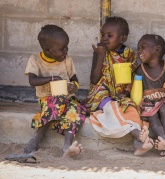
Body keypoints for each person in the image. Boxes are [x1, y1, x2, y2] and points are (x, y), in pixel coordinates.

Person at [86, 16, 153, 156]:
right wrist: (100, 55)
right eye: (102, 35)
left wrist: (133, 71)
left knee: (132, 108)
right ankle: (137, 133)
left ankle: (138, 145)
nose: (104, 38)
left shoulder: (129, 53)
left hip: (121, 94)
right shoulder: (99, 52)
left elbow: (132, 79)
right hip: (101, 95)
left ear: (122, 39)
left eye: (110, 36)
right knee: (113, 108)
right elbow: (94, 79)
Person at [24, 24, 86, 158]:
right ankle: (38, 136)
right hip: (48, 99)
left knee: (76, 110)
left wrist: (73, 86)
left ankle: (67, 146)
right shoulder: (35, 60)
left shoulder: (68, 61)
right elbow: (32, 81)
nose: (66, 51)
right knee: (56, 102)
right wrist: (52, 79)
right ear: (47, 49)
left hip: (68, 98)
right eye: (62, 49)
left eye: (67, 47)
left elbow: (75, 80)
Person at [136, 34, 165, 156]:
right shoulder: (139, 70)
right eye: (138, 49)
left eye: (142, 47)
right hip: (149, 104)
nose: (139, 51)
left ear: (157, 49)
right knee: (152, 114)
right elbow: (134, 89)